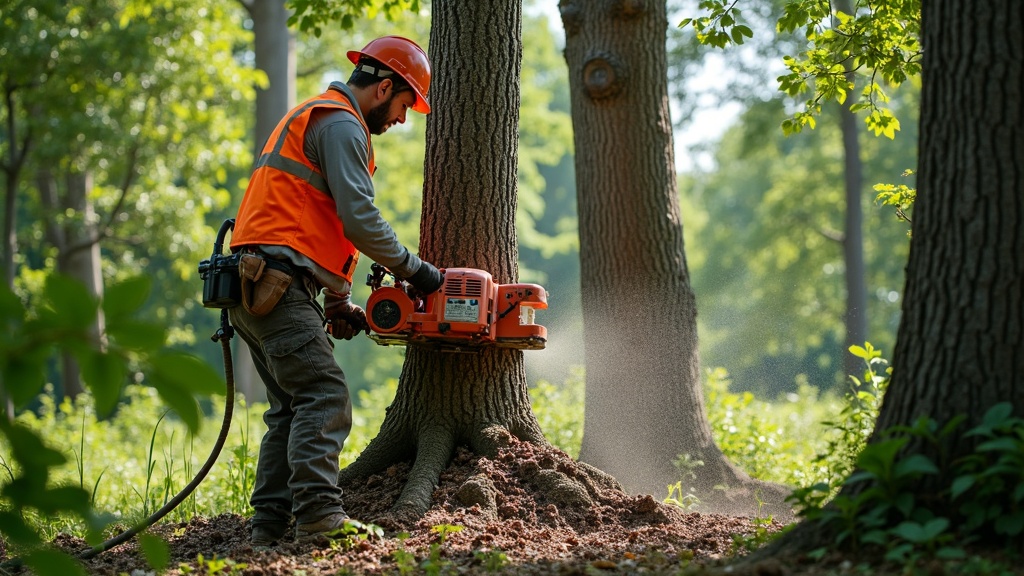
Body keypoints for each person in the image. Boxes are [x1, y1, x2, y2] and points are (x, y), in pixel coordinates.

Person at [227, 36, 443, 547]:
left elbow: (313, 224)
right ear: (384, 87)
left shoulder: (317, 117)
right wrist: (417, 272)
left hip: (255, 284)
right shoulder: (342, 124)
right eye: (404, 105)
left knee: (290, 407)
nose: (402, 119)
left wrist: (337, 301)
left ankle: (268, 526)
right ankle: (320, 520)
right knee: (325, 397)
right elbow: (359, 218)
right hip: (277, 285)